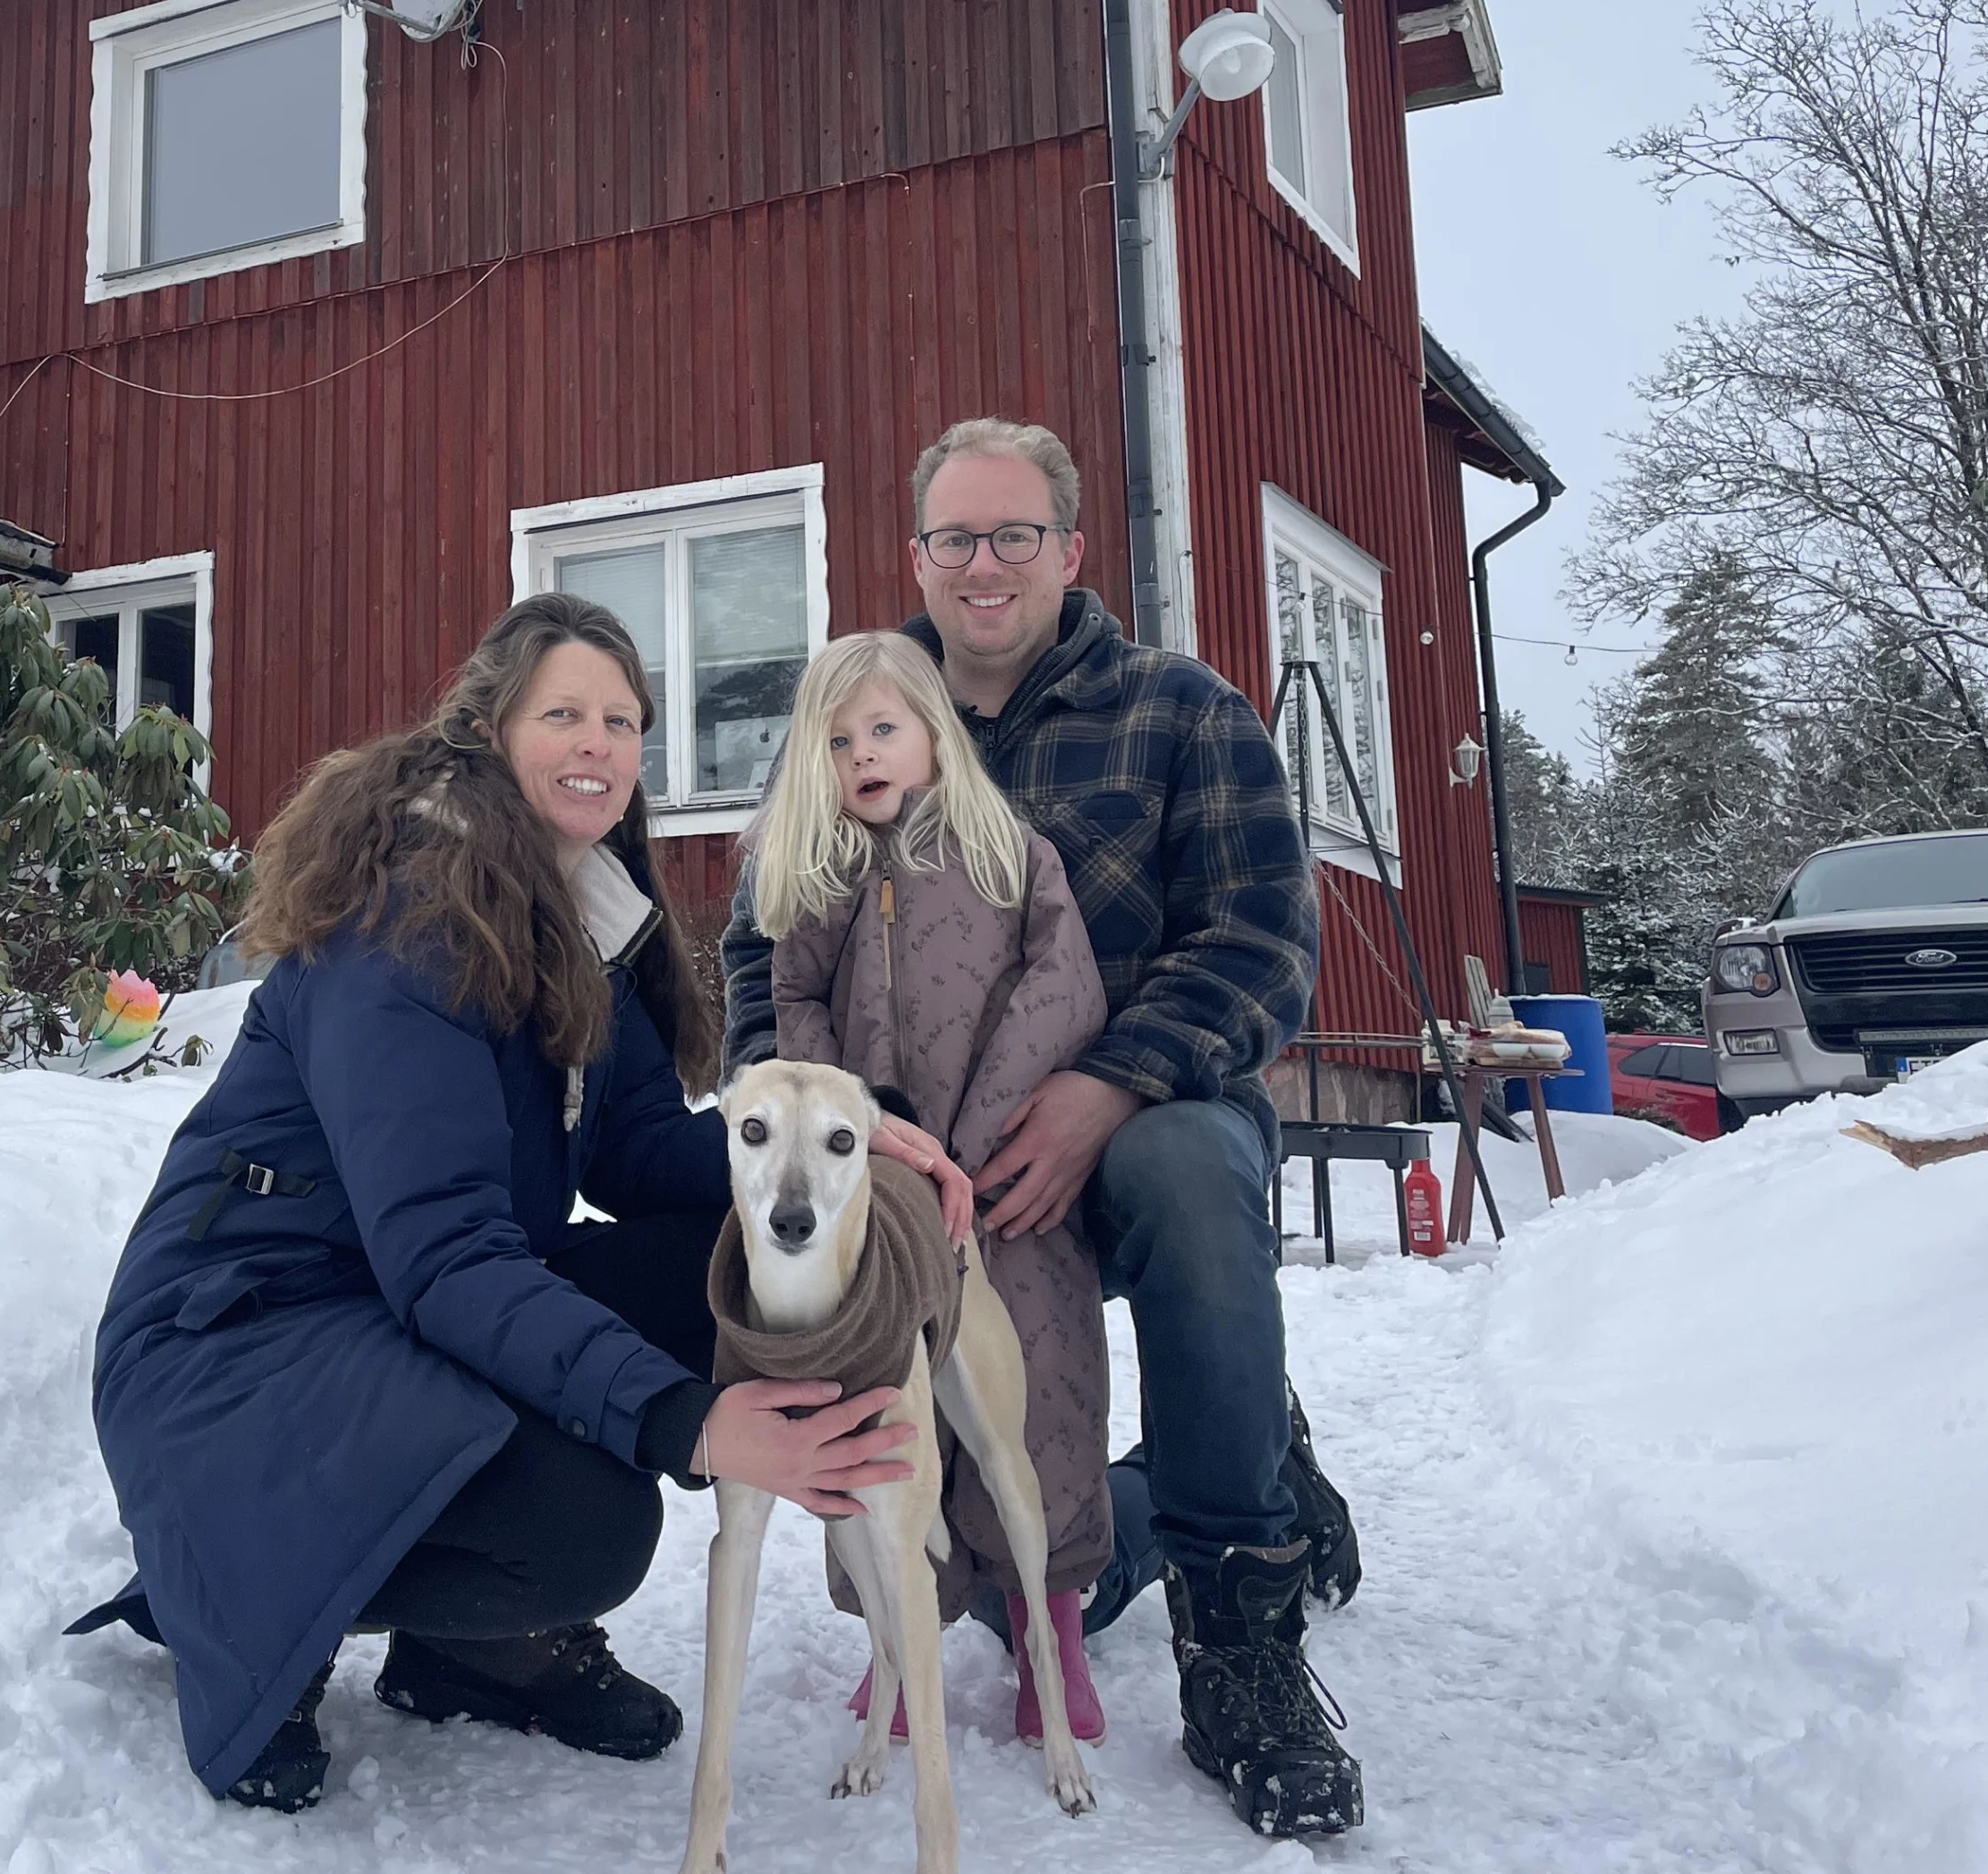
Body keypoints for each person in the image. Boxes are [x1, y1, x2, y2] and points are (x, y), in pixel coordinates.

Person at [74, 594, 975, 1813]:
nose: (599, 744)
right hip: (244, 1350)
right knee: (586, 1525)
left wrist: (835, 1150)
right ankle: (252, 1589)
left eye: (622, 719)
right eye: (564, 714)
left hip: (389, 1315)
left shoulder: (578, 915)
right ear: (489, 730)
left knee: (719, 1257)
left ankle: (467, 1653)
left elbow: (646, 1149)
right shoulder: (405, 924)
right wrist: (692, 1426)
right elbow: (445, 1259)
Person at [721, 418, 1367, 1840]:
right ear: (918, 556)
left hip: (1129, 1130)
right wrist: (832, 1127)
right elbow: (761, 951)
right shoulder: (853, 713)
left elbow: (1259, 946)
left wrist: (1107, 1084)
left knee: (1193, 1176)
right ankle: (1190, 1481)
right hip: (904, 1159)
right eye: (956, 537)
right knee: (1012, 1515)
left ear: (1073, 552)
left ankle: (1243, 1622)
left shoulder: (1182, 714)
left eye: (1017, 534)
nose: (985, 564)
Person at [752, 629, 1115, 1748]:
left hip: (1007, 1187)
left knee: (1038, 1394)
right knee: (878, 1402)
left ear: (935, 737)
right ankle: (897, 1640)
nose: (864, 755)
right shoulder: (820, 879)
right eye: (839, 740)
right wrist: (877, 1126)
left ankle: (1047, 1625)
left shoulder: (1010, 852)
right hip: (887, 1197)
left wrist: (983, 1123)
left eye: (884, 730)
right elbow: (793, 1011)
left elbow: (1062, 988)